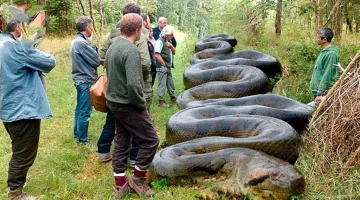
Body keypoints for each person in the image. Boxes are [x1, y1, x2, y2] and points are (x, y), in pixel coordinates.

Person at [0, 19, 56, 200]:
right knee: (23, 154)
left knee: (18, 147)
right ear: (17, 29)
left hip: (7, 107)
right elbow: (49, 61)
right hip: (23, 109)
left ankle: (18, 183)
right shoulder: (16, 47)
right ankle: (16, 193)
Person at [105, 13, 159, 198]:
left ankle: (121, 185)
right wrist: (141, 104)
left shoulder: (113, 46)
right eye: (142, 29)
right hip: (128, 104)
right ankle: (137, 179)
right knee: (151, 140)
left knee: (121, 142)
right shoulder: (131, 51)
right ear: (137, 30)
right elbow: (134, 85)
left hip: (113, 102)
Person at [96, 4, 153, 164]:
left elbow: (101, 56)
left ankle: (104, 151)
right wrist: (129, 67)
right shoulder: (137, 36)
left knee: (113, 120)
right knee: (139, 127)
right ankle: (134, 159)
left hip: (113, 87)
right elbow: (146, 63)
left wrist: (113, 67)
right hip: (130, 88)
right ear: (137, 21)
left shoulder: (112, 34)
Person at [70, 16, 100, 145]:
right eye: (91, 26)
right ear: (87, 27)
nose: (92, 28)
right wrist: (93, 47)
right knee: (85, 111)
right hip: (85, 80)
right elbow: (96, 60)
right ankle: (82, 140)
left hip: (80, 79)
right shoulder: (82, 43)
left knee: (79, 109)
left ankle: (78, 136)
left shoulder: (77, 41)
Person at [309, 27, 340, 106]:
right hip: (318, 91)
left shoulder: (331, 54)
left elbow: (328, 74)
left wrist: (320, 93)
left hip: (323, 93)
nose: (316, 39)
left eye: (318, 37)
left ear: (324, 40)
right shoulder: (324, 52)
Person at [155, 25, 177, 107]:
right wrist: (163, 64)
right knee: (162, 83)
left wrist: (171, 46)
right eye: (171, 34)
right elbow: (156, 55)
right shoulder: (160, 41)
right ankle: (161, 101)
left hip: (168, 66)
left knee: (170, 82)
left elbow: (174, 52)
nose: (173, 36)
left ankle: (173, 97)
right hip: (162, 66)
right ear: (166, 34)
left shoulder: (169, 41)